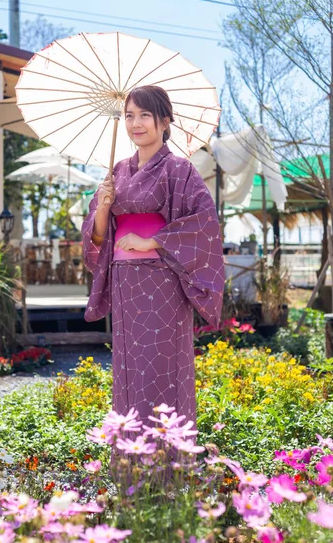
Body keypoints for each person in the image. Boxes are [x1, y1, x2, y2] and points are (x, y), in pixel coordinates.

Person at [81, 85, 224, 430]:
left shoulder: (180, 170)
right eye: (129, 115)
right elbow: (97, 238)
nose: (136, 123)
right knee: (128, 366)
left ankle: (168, 461)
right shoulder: (116, 172)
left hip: (162, 282)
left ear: (164, 121)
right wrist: (102, 208)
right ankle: (131, 464)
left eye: (145, 115)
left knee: (162, 366)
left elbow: (204, 225)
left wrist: (149, 242)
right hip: (124, 282)